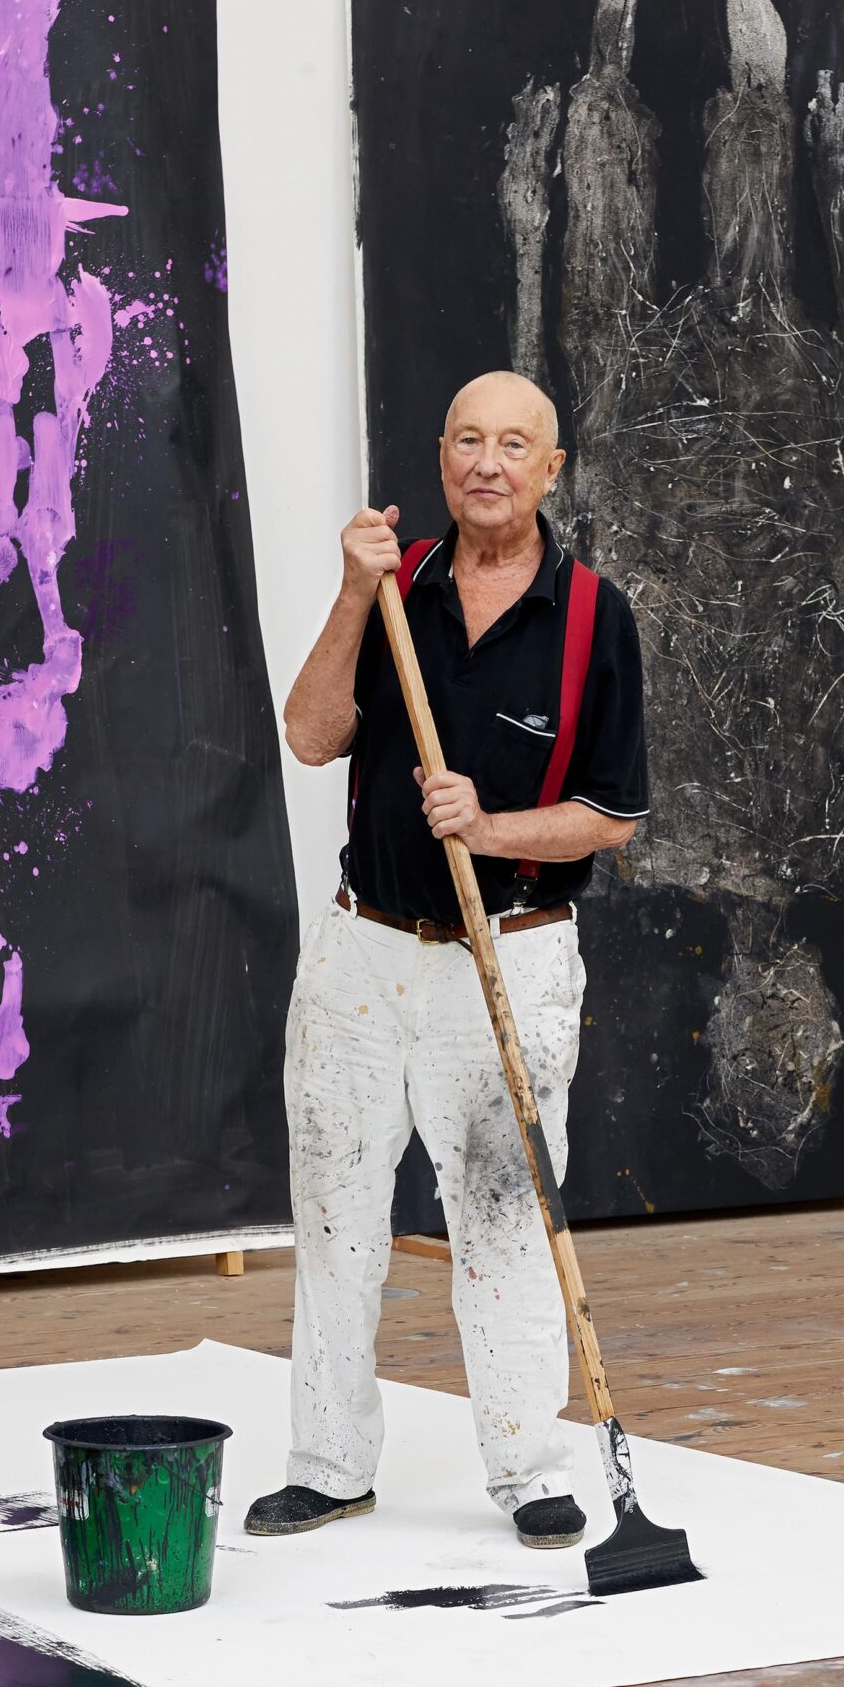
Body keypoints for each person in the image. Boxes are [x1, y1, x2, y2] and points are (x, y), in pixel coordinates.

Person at [246, 372, 647, 1550]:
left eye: (513, 444)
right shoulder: (396, 588)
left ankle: (529, 1470)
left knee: (505, 1221)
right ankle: (328, 1463)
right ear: (440, 457)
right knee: (333, 1214)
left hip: (509, 956)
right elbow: (313, 734)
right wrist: (351, 591)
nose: (488, 461)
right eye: (467, 439)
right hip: (364, 953)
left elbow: (613, 815)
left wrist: (492, 829)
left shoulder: (590, 620)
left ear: (550, 469)